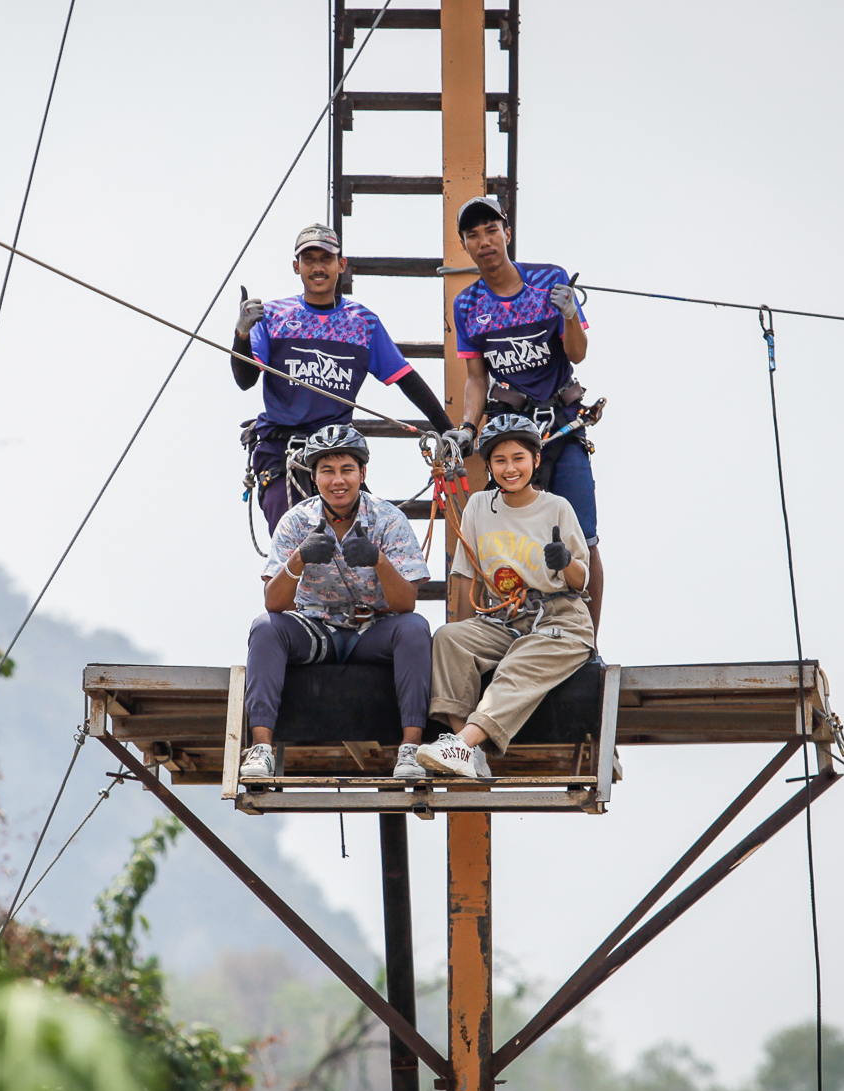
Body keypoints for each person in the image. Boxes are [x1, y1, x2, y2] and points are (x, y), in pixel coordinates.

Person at [444, 195, 605, 631]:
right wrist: (466, 428)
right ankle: (506, 624)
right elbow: (476, 378)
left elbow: (577, 353)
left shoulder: (546, 280)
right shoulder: (468, 304)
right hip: (510, 427)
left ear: (506, 233)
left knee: (583, 537)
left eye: (491, 230)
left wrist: (569, 314)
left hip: (560, 424)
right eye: (473, 235)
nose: (484, 241)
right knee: (501, 529)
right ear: (465, 244)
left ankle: (587, 638)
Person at [232, 223, 455, 536]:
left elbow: (405, 377)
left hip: (336, 451)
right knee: (295, 541)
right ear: (296, 266)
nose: (318, 267)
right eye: (309, 259)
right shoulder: (273, 317)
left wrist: (448, 431)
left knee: (364, 542)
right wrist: (242, 334)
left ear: (341, 264)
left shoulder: (361, 322)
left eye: (326, 258)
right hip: (282, 450)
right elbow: (245, 379)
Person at [240, 424, 434, 780]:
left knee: (415, 630)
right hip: (317, 631)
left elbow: (407, 604)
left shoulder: (389, 519)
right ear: (314, 478)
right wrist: (299, 559)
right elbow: (274, 602)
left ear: (362, 472)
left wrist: (378, 560)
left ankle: (411, 750)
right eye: (327, 471)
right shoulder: (296, 520)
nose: (337, 480)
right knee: (265, 628)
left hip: (373, 632)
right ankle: (261, 749)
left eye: (346, 469)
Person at [416, 415, 594, 778]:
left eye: (518, 458)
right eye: (500, 461)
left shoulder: (557, 507)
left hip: (560, 618)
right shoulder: (479, 507)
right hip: (504, 619)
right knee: (450, 639)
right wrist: (469, 638)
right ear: (488, 466)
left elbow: (580, 580)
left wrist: (565, 560)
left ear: (536, 461)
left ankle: (463, 743)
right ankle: (468, 751)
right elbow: (468, 579)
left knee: (519, 662)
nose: (510, 468)